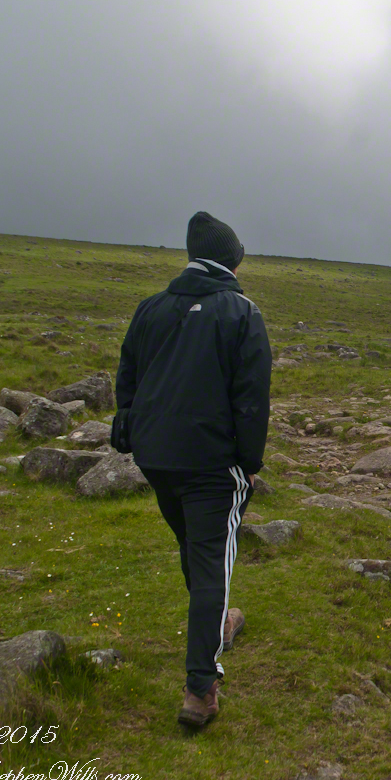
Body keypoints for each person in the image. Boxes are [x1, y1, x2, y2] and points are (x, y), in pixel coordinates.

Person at [113, 211, 271, 726]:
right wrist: (249, 463)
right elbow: (251, 399)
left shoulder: (150, 308)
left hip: (157, 458)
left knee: (193, 550)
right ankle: (200, 687)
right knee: (210, 565)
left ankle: (217, 621)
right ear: (231, 259)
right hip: (212, 464)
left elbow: (128, 377)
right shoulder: (242, 313)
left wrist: (133, 429)